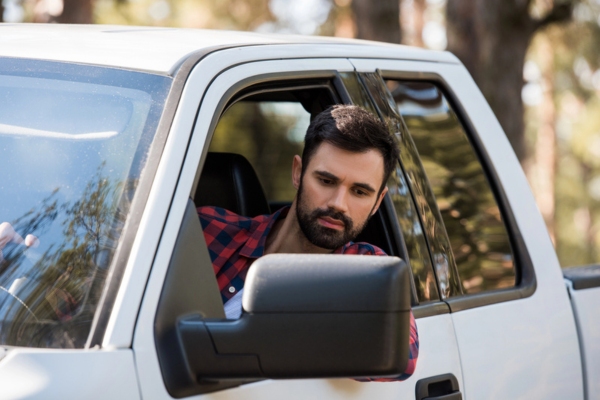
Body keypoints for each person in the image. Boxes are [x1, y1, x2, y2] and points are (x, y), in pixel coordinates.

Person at [198, 104, 419, 381]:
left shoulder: (368, 271)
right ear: (297, 172)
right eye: (326, 180)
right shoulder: (206, 230)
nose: (338, 204)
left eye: (360, 191)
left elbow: (402, 354)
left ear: (377, 203)